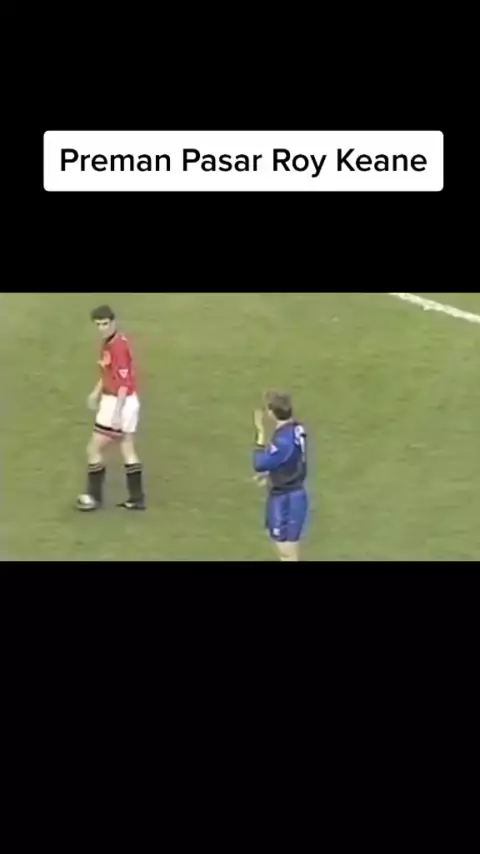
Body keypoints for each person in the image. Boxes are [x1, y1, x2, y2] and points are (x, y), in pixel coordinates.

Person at [76, 304, 146, 511]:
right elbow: (108, 373)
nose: (102, 328)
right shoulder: (111, 342)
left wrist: (116, 414)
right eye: (98, 324)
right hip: (124, 401)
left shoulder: (118, 348)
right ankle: (136, 499)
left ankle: (93, 497)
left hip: (118, 402)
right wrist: (96, 392)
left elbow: (123, 384)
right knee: (127, 448)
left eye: (105, 324)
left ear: (113, 322)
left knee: (94, 448)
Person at [253, 391, 308, 561]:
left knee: (285, 551)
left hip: (284, 499)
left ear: (271, 413)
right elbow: (292, 459)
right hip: (295, 493)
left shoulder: (282, 441)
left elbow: (259, 463)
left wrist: (260, 434)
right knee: (290, 552)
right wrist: (271, 475)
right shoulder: (297, 429)